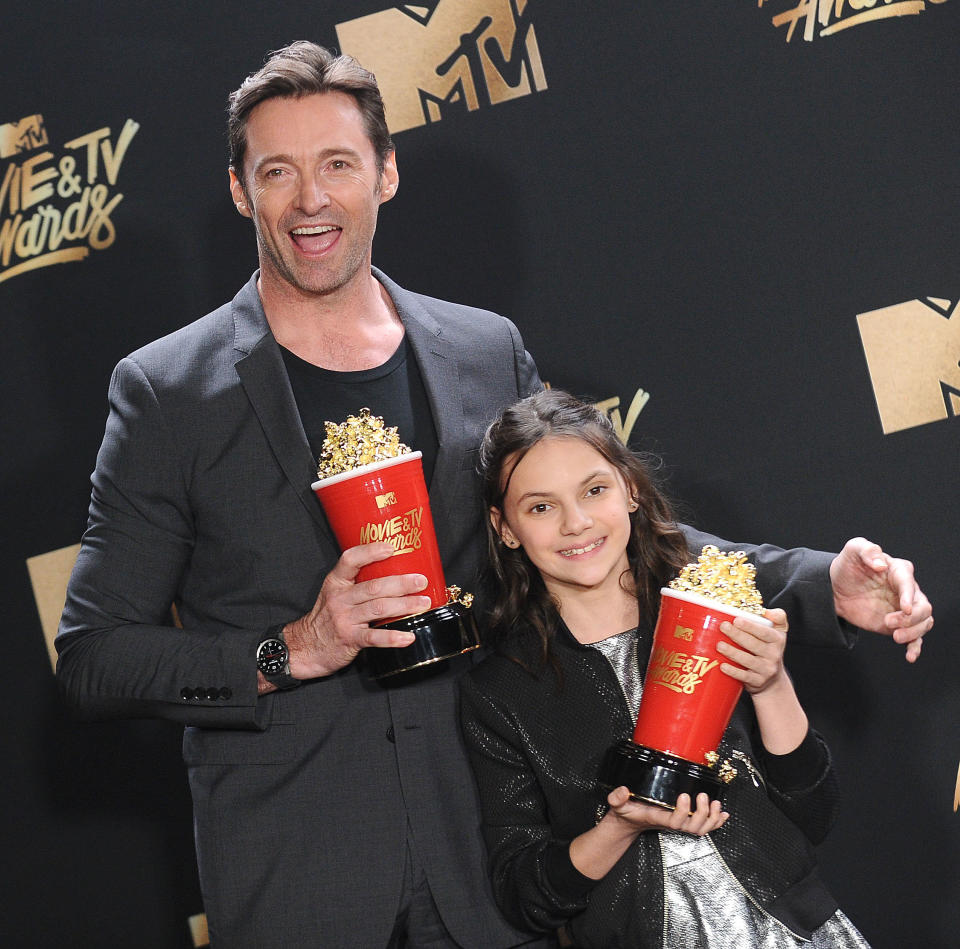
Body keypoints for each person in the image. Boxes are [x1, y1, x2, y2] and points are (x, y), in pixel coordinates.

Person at [55, 40, 930, 949]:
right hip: (298, 876)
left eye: (338, 165)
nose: (311, 199)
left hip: (488, 861)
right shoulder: (166, 392)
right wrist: (292, 650)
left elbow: (605, 534)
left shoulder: (482, 350)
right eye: (278, 171)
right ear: (242, 191)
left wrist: (824, 584)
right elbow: (92, 656)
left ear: (386, 174)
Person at [459, 389, 877, 948]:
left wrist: (772, 684)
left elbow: (815, 814)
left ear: (629, 489)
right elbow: (526, 894)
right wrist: (622, 824)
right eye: (540, 506)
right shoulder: (501, 690)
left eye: (595, 490)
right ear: (505, 526)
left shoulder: (712, 613)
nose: (575, 523)